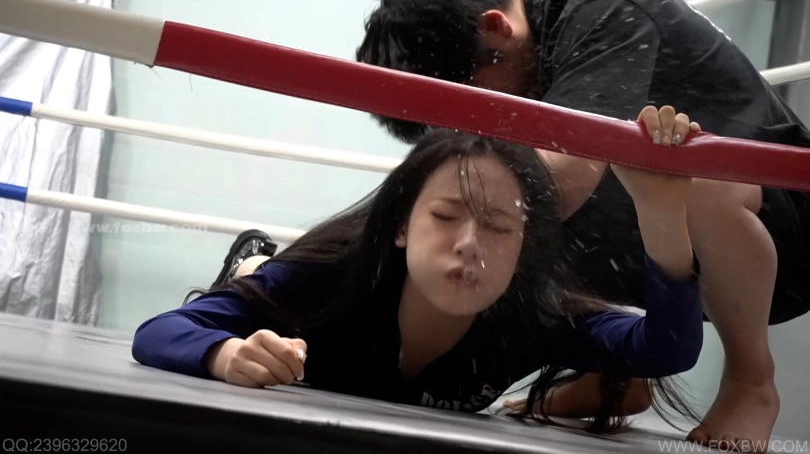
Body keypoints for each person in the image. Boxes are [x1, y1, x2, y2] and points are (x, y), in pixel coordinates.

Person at [354, 0, 810, 447]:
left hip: (787, 231)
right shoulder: (533, 47)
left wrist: (404, 233)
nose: (468, 129)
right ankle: (613, 375)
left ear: (495, 27)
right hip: (678, 245)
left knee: (540, 186)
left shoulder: (605, 9)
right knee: (521, 177)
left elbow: (563, 176)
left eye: (472, 104)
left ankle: (750, 379)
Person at [132, 109, 704, 434]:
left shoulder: (533, 315)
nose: (470, 245)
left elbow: (666, 348)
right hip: (300, 283)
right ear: (402, 225)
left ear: (523, 248)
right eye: (446, 216)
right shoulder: (326, 281)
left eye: (499, 227)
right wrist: (226, 355)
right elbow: (159, 331)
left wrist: (661, 210)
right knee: (264, 279)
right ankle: (253, 260)